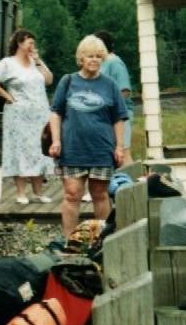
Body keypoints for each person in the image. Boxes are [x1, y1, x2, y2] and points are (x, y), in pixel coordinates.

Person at [48, 35, 129, 238]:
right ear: (81, 58)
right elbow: (55, 113)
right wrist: (56, 141)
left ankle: (103, 241)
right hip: (72, 149)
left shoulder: (110, 85)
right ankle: (69, 242)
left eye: (98, 56)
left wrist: (120, 147)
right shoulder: (68, 81)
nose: (94, 60)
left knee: (100, 195)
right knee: (72, 194)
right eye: (90, 56)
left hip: (102, 150)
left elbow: (119, 118)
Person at [0, 29, 54, 205]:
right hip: (18, 115)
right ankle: (21, 193)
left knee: (39, 150)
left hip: (39, 114)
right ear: (20, 43)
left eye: (33, 43)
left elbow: (49, 80)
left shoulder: (35, 62)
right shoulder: (8, 63)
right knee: (20, 151)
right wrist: (7, 96)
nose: (33, 46)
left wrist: (38, 61)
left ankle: (38, 193)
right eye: (30, 42)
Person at [94, 29, 134, 164]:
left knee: (124, 155)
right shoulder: (101, 63)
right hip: (106, 117)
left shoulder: (115, 63)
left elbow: (125, 91)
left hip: (120, 116)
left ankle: (131, 178)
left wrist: (108, 104)